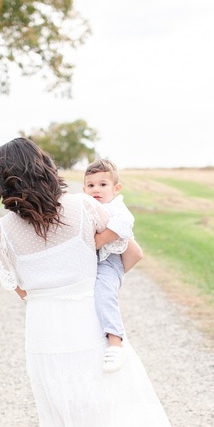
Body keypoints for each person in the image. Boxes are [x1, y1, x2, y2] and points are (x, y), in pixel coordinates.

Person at [0, 137, 202, 427]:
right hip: (88, 330)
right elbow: (129, 250)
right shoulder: (83, 208)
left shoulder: (1, 231)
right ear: (45, 168)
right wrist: (100, 287)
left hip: (44, 338)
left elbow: (22, 290)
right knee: (97, 426)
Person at [83, 158, 137, 374]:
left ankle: (115, 343)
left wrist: (100, 239)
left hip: (110, 258)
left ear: (116, 188)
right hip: (93, 260)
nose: (96, 189)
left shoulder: (115, 206)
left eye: (103, 185)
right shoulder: (87, 205)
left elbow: (126, 223)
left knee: (104, 292)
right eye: (91, 185)